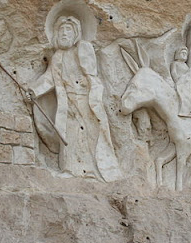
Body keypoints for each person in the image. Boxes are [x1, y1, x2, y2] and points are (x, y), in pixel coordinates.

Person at [26, 16, 121, 182]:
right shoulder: (58, 57)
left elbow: (91, 74)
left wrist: (88, 96)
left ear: (76, 33)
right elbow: (49, 79)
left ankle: (93, 171)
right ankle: (70, 169)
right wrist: (34, 90)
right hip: (68, 102)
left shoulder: (83, 48)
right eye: (61, 30)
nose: (64, 33)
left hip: (86, 101)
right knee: (70, 135)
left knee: (91, 135)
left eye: (68, 30)